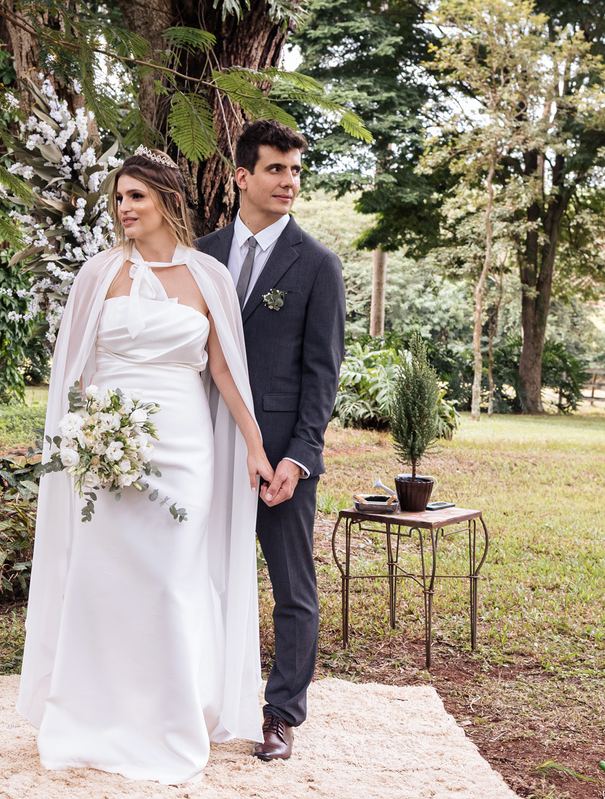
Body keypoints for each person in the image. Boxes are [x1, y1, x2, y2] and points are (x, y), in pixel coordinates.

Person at [16, 147, 275, 784]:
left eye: (137, 196)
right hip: (107, 441)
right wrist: (80, 437)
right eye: (120, 198)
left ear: (166, 199)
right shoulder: (99, 274)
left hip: (184, 446)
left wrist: (255, 445)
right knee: (106, 582)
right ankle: (91, 720)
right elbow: (72, 372)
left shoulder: (208, 276)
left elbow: (224, 369)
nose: (125, 208)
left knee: (169, 580)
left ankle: (171, 720)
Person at [196, 120, 346, 761]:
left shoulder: (317, 265)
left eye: (294, 170)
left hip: (278, 455)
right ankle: (194, 698)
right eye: (276, 169)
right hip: (198, 445)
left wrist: (299, 456)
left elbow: (323, 372)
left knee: (293, 587)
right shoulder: (200, 255)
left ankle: (281, 715)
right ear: (241, 176)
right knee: (194, 576)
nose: (289, 181)